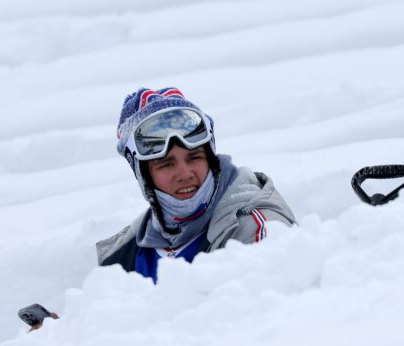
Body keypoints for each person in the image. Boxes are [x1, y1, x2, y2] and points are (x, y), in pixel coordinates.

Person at [95, 87, 296, 282]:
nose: (184, 174)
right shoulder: (121, 257)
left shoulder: (259, 230)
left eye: (194, 158)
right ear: (143, 175)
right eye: (166, 164)